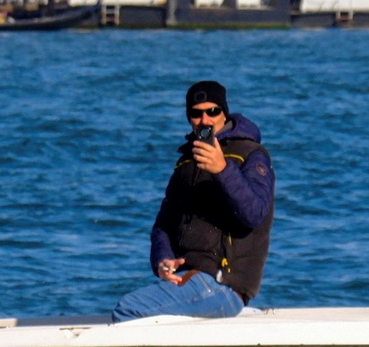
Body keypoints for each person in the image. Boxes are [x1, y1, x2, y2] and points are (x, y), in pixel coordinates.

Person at [112, 80, 274, 323]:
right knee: (134, 310)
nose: (205, 121)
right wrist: (163, 260)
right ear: (188, 117)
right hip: (191, 277)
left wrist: (222, 169)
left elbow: (254, 214)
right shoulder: (187, 161)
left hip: (225, 285)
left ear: (224, 112)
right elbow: (164, 225)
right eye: (196, 114)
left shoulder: (250, 154)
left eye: (213, 112)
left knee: (129, 309)